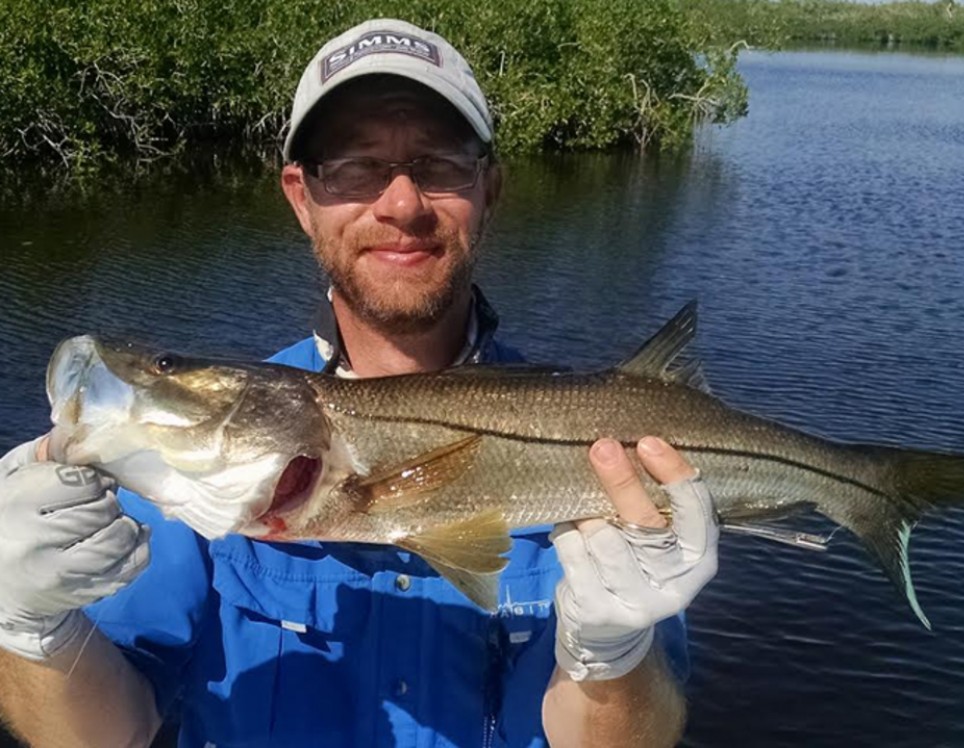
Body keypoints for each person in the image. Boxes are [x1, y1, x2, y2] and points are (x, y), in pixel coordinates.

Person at [0, 19, 719, 748]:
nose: (401, 205)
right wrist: (30, 627)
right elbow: (100, 736)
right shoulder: (197, 466)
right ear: (300, 197)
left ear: (489, 189)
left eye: (437, 164)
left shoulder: (604, 434)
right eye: (353, 167)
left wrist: (613, 655)